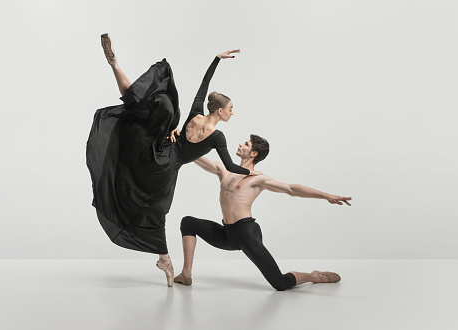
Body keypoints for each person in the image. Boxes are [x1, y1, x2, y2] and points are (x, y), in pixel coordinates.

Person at [86, 33, 260, 287]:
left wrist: (215, 60)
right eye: (231, 109)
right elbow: (232, 167)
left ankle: (115, 65)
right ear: (220, 112)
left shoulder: (195, 113)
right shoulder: (218, 138)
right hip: (166, 167)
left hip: (156, 148)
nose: (233, 112)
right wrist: (251, 174)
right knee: (157, 211)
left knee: (140, 107)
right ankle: (164, 259)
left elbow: (203, 85)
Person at [174, 134, 352, 290]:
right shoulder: (225, 170)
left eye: (246, 144)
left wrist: (325, 195)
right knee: (188, 222)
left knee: (280, 283)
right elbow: (194, 156)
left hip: (246, 232)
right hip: (226, 234)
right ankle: (186, 274)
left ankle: (313, 276)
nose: (241, 145)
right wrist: (177, 139)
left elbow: (291, 188)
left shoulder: (258, 179)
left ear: (253, 154)